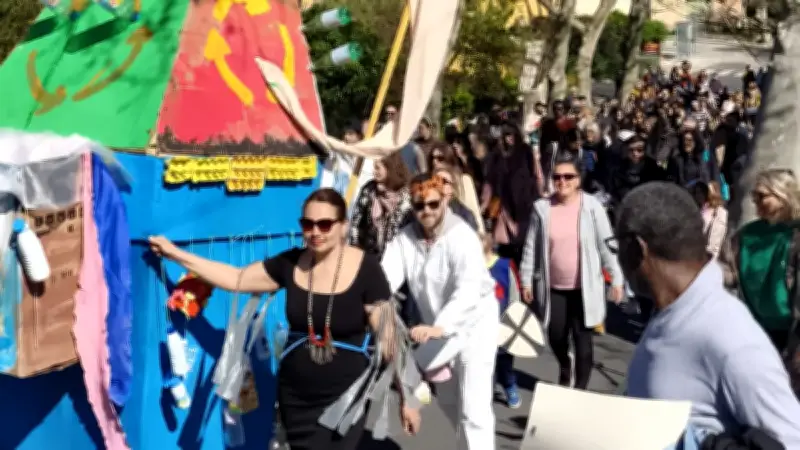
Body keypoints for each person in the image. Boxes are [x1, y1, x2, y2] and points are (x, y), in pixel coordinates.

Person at [148, 189, 418, 450]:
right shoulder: (290, 263)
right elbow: (234, 278)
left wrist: (407, 398)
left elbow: (389, 339)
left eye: (325, 224)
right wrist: (175, 254)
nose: (315, 232)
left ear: (343, 226)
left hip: (347, 399)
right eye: (308, 224)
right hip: (297, 399)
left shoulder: (367, 269)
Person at [616, 182, 800, 448]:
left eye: (616, 245)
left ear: (636, 248)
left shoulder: (729, 339)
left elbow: (792, 440)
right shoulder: (673, 311)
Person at [381, 173, 499, 450]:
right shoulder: (404, 239)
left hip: (475, 323)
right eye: (420, 206)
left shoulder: (462, 236)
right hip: (437, 329)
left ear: (444, 200)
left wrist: (440, 326)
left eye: (433, 204)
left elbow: (468, 290)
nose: (427, 212)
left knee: (474, 408)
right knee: (449, 403)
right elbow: (384, 279)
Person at [519, 152, 624, 390]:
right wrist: (526, 281)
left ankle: (580, 391)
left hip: (584, 287)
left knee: (583, 341)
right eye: (557, 177)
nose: (562, 182)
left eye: (569, 176)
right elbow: (530, 248)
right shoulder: (542, 209)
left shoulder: (592, 207)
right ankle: (565, 365)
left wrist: (616, 279)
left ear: (578, 180)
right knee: (556, 336)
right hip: (553, 285)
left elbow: (606, 244)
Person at [720, 169, 800, 353]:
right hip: (755, 327)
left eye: (761, 195)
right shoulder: (746, 235)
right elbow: (727, 271)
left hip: (793, 332)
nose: (755, 201)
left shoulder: (796, 234)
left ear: (784, 195)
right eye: (753, 195)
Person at [482, 233, 522, 409]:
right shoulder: (471, 268)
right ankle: (484, 392)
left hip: (503, 321)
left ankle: (509, 385)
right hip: (480, 324)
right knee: (482, 361)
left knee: (504, 359)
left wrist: (514, 315)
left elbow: (513, 293)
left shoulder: (504, 266)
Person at [349, 152, 413, 256]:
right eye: (374, 168)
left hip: (397, 256)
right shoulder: (369, 189)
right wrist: (355, 248)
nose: (374, 172)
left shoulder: (405, 195)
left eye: (377, 168)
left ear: (389, 168)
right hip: (369, 256)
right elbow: (356, 222)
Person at [428, 141, 484, 234]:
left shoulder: (464, 180)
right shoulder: (426, 182)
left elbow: (474, 209)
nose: (435, 162)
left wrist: (480, 234)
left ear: (448, 159)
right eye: (432, 158)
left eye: (440, 158)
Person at [688, 181, 727, 259]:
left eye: (701, 192)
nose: (698, 195)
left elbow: (715, 240)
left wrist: (711, 258)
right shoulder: (695, 210)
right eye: (696, 192)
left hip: (707, 256)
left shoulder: (719, 212)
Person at [433, 166, 480, 232]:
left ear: (452, 188)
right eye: (436, 181)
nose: (439, 185)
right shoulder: (424, 209)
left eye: (444, 182)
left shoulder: (465, 215)